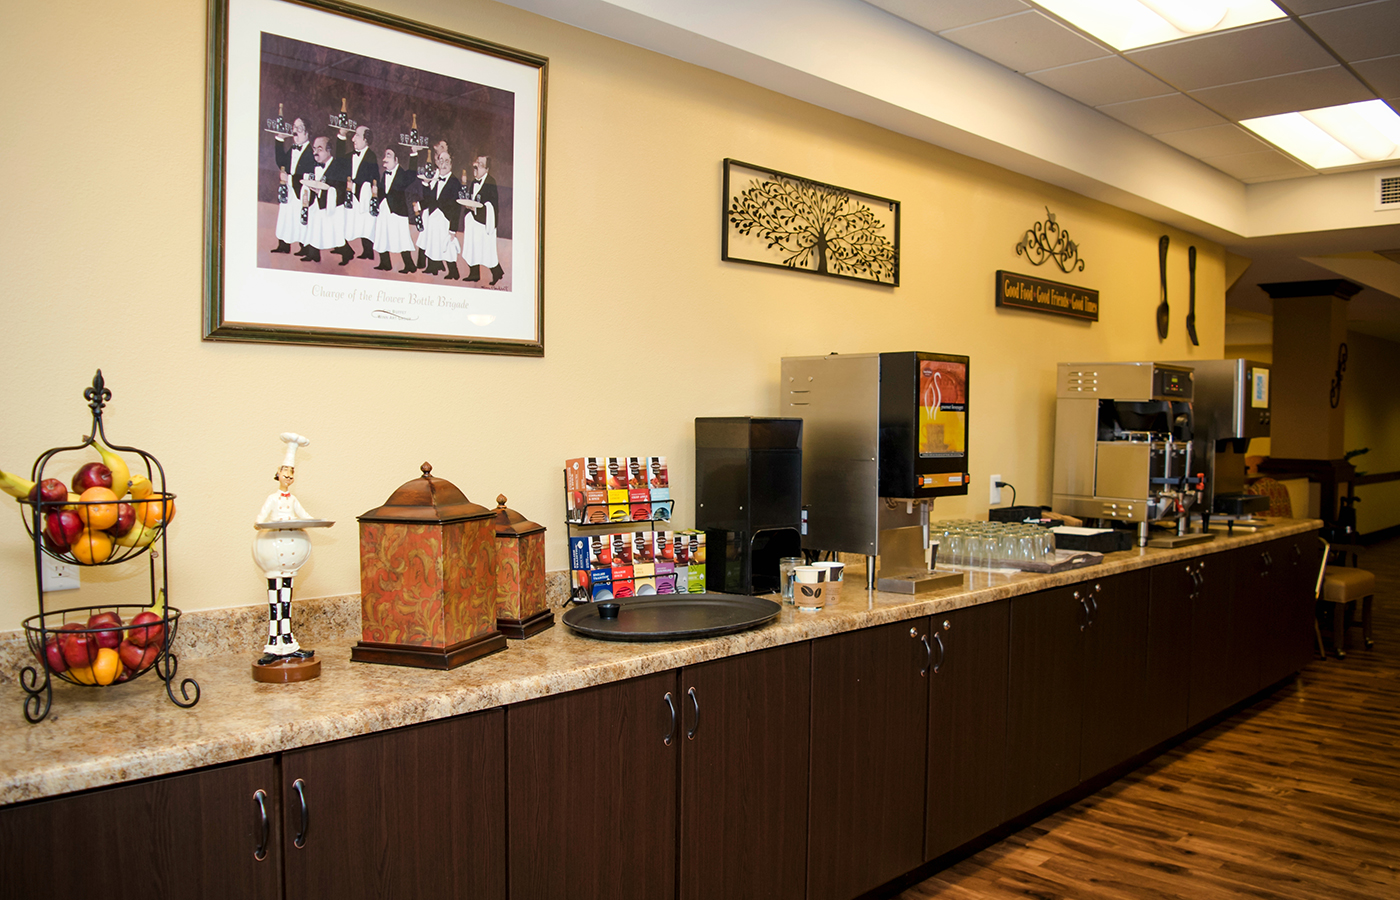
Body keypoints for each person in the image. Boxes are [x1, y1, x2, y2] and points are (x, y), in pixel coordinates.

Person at [253, 434, 316, 665]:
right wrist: (260, 523)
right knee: (275, 598)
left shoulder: (293, 499)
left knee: (286, 597)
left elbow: (306, 516)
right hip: (272, 556)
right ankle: (273, 643)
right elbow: (260, 518)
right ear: (278, 474)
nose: (288, 478)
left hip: (291, 560)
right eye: (285, 474)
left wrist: (317, 520)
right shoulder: (273, 498)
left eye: (292, 475)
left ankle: (288, 642)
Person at [299, 136, 354, 266]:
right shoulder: (314, 165)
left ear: (329, 151)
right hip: (318, 203)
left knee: (334, 232)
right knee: (314, 227)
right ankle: (313, 254)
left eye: (320, 149)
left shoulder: (337, 166)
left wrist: (322, 192)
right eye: (314, 149)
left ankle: (347, 252)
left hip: (333, 206)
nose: (315, 152)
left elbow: (339, 189)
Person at [413, 148, 462, 280]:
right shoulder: (435, 179)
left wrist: (453, 229)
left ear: (451, 164)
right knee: (433, 243)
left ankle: (453, 271)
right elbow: (429, 198)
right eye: (441, 161)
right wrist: (425, 184)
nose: (443, 164)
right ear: (438, 163)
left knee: (447, 246)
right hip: (433, 217)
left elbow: (457, 208)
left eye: (447, 161)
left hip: (445, 219)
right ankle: (432, 267)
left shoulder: (455, 182)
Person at [271, 117, 316, 255]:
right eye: (294, 127)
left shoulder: (311, 152)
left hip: (302, 190)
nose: (295, 131)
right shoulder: (292, 148)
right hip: (289, 189)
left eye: (300, 128)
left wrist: (289, 178)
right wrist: (279, 139)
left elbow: (310, 174)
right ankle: (283, 245)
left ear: (307, 132)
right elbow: (281, 162)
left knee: (301, 217)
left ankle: (305, 248)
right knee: (285, 216)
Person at [459, 154, 505, 285]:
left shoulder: (491, 182)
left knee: (486, 250)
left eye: (480, 165)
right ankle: (474, 274)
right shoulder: (473, 182)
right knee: (473, 247)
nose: (476, 166)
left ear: (487, 169)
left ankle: (497, 272)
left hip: (484, 223)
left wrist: (477, 210)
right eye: (476, 163)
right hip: (473, 222)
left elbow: (492, 205)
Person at [372, 147, 417, 273]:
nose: (384, 159)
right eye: (385, 156)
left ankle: (410, 266)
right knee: (382, 235)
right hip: (384, 208)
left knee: (401, 237)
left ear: (396, 160)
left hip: (397, 211)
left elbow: (413, 174)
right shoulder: (384, 174)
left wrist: (414, 154)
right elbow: (382, 191)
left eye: (388, 156)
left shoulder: (402, 174)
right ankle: (385, 263)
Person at [339, 125, 381, 260]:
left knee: (366, 225)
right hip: (350, 196)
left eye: (357, 135)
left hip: (364, 197)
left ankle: (368, 251)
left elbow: (375, 179)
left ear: (365, 139)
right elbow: (339, 163)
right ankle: (343, 247)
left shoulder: (371, 156)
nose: (353, 139)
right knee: (345, 223)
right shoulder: (349, 156)